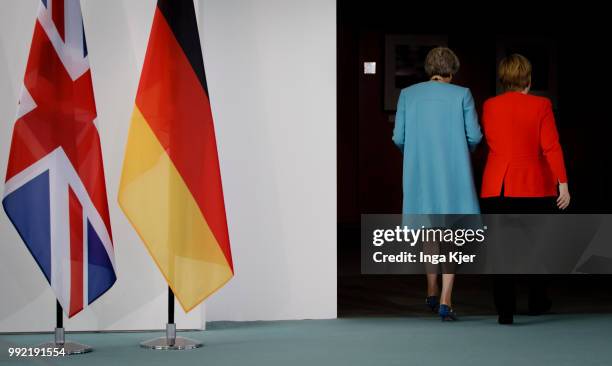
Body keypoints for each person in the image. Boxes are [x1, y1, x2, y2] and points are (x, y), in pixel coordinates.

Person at [392, 47, 482, 321]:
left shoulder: (408, 95)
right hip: (452, 171)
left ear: (429, 69)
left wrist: (417, 152)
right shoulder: (462, 94)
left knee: (429, 232)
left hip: (420, 171)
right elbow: (475, 136)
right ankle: (446, 298)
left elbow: (398, 137)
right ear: (451, 71)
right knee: (451, 235)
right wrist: (458, 150)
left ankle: (430, 287)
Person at [480, 53, 570, 325]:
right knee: (536, 250)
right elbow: (551, 146)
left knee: (502, 252)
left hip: (499, 187)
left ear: (503, 80)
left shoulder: (490, 106)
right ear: (528, 80)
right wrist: (563, 184)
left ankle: (505, 312)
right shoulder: (541, 105)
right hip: (534, 187)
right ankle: (536, 302)